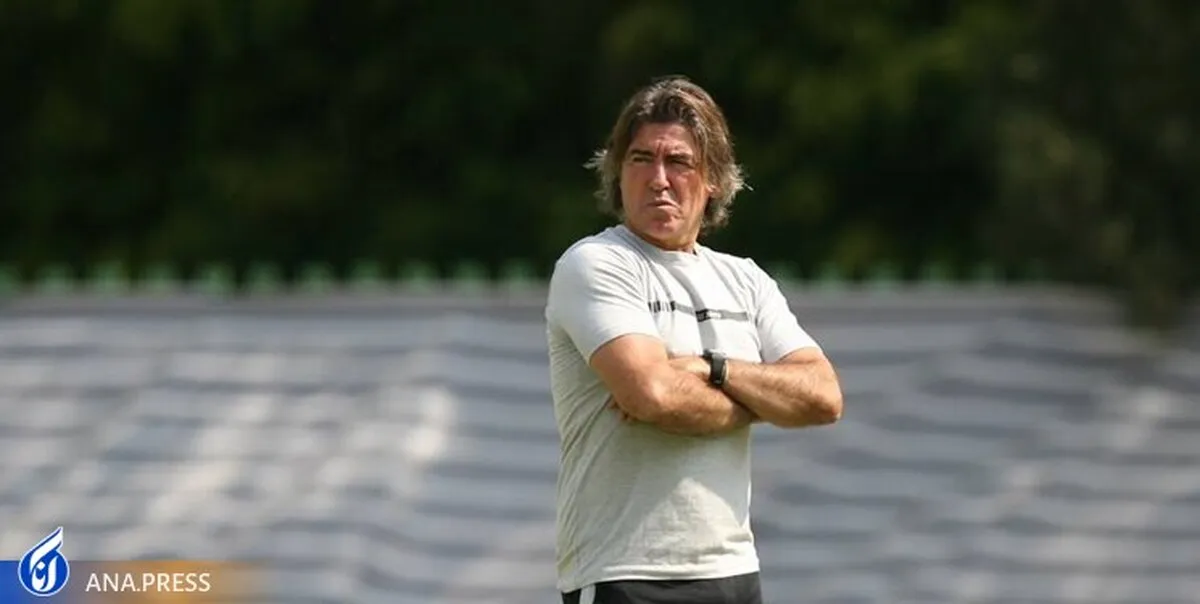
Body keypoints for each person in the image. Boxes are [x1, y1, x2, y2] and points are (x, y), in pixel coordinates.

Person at [544, 75, 844, 604]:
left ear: (713, 181)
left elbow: (823, 397)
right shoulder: (597, 264)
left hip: (733, 571)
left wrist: (713, 369)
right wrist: (763, 401)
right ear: (618, 173)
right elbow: (653, 396)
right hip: (626, 573)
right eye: (641, 159)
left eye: (678, 162)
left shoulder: (745, 279)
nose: (658, 179)